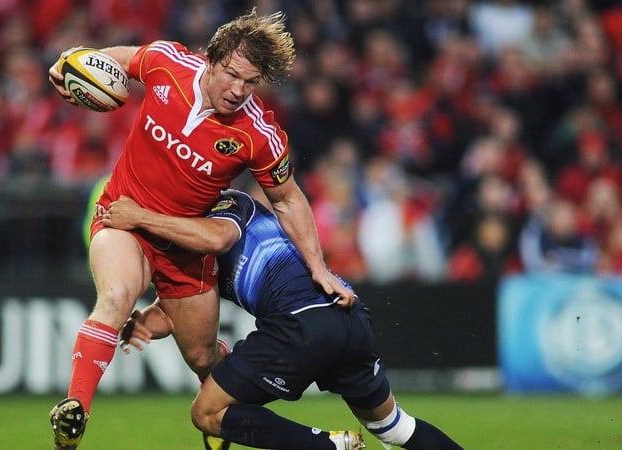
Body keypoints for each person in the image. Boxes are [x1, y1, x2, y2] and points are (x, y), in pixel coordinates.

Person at [45, 9, 355, 450]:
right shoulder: (168, 64)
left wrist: (319, 268)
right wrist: (73, 62)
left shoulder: (258, 134)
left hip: (184, 247)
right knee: (115, 297)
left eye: (250, 82)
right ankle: (74, 415)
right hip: (122, 215)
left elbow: (288, 199)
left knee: (202, 356)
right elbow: (121, 59)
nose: (238, 90)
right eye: (231, 74)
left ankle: (223, 423)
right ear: (211, 59)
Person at [104, 190, 464, 450]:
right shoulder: (183, 251)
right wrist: (137, 320)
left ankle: (329, 447)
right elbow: (176, 313)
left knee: (208, 412)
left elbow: (216, 238)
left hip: (301, 323)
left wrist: (140, 217)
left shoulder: (225, 203)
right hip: (346, 316)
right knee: (394, 428)